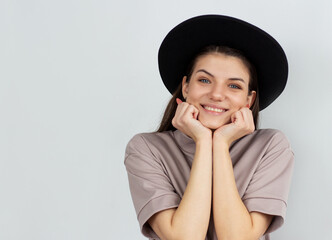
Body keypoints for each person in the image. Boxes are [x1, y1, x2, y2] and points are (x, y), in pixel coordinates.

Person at [124, 15, 294, 240]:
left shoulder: (270, 146)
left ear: (248, 100)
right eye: (204, 80)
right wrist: (204, 141)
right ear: (186, 87)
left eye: (233, 85)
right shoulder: (146, 148)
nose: (216, 94)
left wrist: (221, 144)